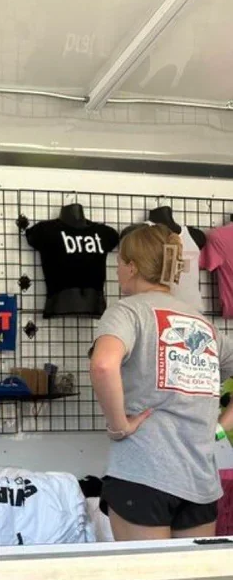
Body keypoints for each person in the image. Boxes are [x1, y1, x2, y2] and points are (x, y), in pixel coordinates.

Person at [90, 223, 233, 541]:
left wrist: (119, 426)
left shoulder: (127, 312)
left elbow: (102, 364)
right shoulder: (202, 323)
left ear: (131, 266)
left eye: (118, 266)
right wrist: (221, 427)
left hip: (143, 474)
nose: (117, 274)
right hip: (200, 481)